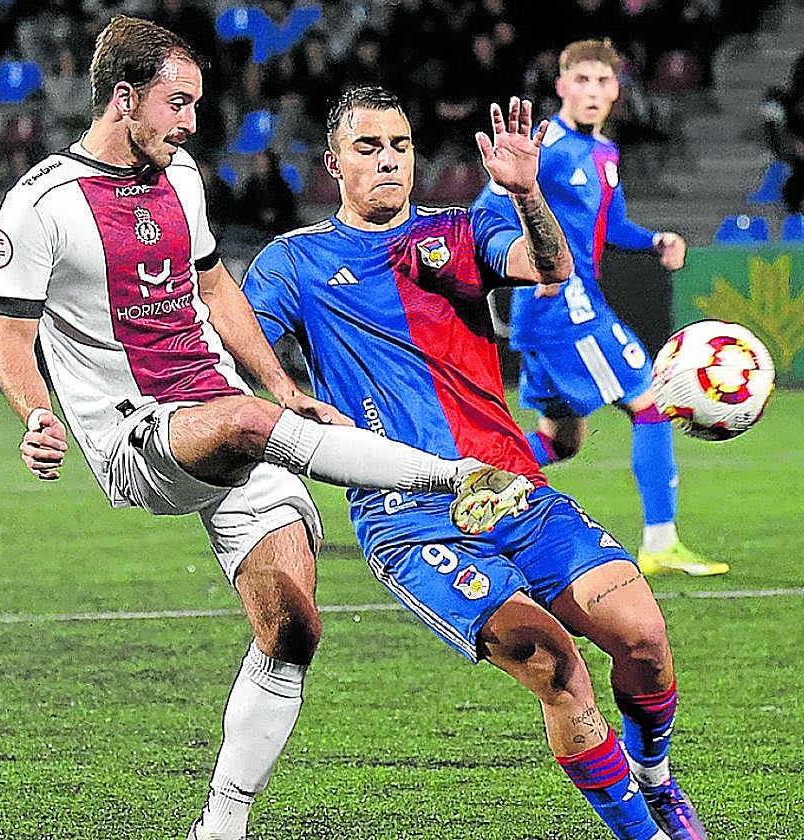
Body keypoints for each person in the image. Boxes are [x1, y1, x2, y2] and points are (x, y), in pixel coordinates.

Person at [0, 17, 531, 840]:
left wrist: (283, 387)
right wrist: (36, 416)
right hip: (138, 435)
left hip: (232, 417)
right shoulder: (40, 205)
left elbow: (218, 292)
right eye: (178, 103)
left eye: (196, 104)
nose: (193, 122)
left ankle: (221, 821)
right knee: (245, 418)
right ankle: (452, 477)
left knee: (292, 629)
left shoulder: (183, 178)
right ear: (124, 99)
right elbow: (12, 342)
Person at [243, 85, 707, 840]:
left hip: (511, 489)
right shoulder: (291, 263)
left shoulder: (462, 230)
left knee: (646, 641)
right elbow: (236, 348)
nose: (388, 161)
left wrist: (527, 195)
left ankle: (655, 775)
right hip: (409, 518)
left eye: (399, 146)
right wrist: (284, 393)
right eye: (368, 148)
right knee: (557, 666)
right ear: (333, 164)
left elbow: (550, 266)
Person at [472, 39, 727, 577]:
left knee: (558, 441)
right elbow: (489, 208)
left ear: (617, 90)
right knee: (650, 402)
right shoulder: (547, 147)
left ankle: (464, 494)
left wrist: (655, 240)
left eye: (602, 82)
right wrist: (518, 269)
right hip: (562, 304)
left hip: (558, 310)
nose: (591, 92)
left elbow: (611, 227)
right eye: (580, 81)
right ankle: (661, 541)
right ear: (561, 86)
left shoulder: (605, 153)